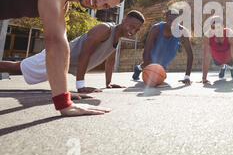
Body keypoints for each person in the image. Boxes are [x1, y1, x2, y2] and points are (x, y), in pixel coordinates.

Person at [0, 0, 125, 116]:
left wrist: (62, 91)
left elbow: (61, 46)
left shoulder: (63, 4)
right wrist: (64, 103)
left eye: (105, 6)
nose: (99, 4)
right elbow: (54, 41)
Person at [0, 10, 144, 93]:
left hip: (62, 67)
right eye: (131, 26)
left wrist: (109, 83)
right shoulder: (105, 29)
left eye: (136, 30)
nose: (132, 32)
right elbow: (85, 53)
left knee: (18, 68)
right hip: (57, 58)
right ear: (124, 20)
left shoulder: (117, 39)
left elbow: (110, 61)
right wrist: (80, 86)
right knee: (16, 68)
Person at [132, 9, 193, 85]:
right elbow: (146, 50)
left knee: (161, 76)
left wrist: (187, 76)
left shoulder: (183, 31)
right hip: (153, 55)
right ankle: (139, 68)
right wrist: (149, 70)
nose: (172, 23)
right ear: (166, 19)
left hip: (166, 58)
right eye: (170, 20)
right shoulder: (156, 29)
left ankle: (139, 67)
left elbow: (190, 54)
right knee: (153, 72)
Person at [201, 16, 233, 84]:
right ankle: (223, 67)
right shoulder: (207, 36)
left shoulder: (230, 34)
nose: (215, 30)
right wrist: (204, 78)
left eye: (218, 27)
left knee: (231, 63)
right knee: (219, 63)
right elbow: (206, 57)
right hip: (217, 58)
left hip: (229, 58)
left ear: (223, 26)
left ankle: (230, 67)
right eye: (213, 28)